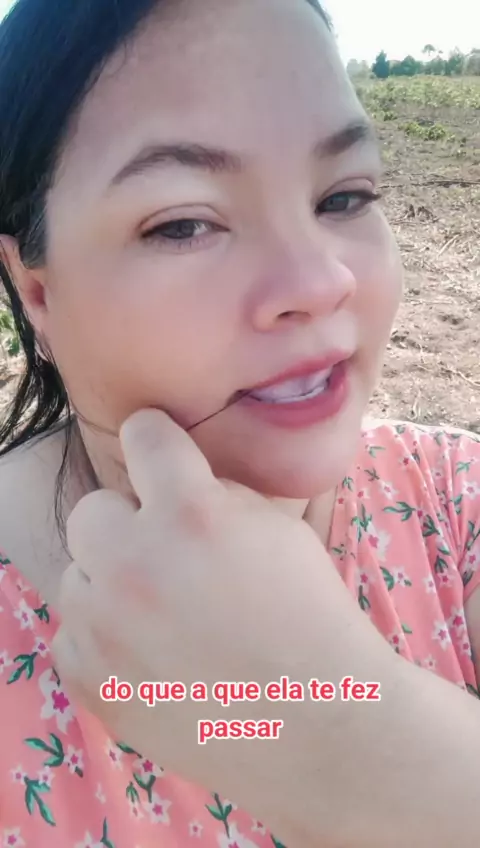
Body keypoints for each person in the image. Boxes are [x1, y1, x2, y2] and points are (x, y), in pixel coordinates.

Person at [0, 0, 479, 845]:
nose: (321, 281)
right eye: (184, 223)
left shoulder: (455, 505)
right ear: (36, 291)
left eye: (344, 196)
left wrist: (345, 735)